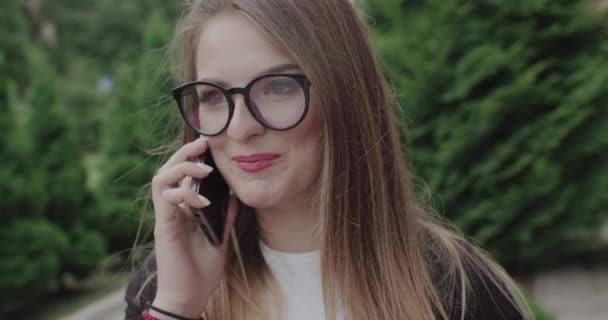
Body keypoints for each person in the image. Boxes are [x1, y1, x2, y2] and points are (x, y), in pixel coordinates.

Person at [124, 0, 533, 319]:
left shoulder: (458, 289)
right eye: (213, 96)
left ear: (345, 98)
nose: (240, 128)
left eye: (278, 86)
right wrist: (176, 308)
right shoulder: (164, 287)